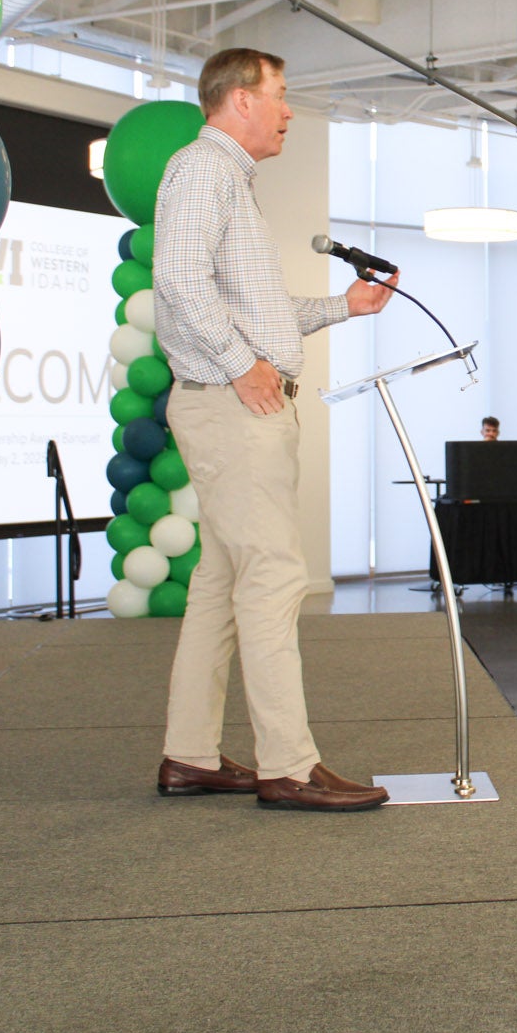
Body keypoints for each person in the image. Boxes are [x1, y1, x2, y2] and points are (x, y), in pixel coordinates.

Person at [153, 47, 397, 812]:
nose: (289, 111)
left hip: (234, 402)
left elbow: (257, 312)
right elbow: (178, 278)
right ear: (240, 100)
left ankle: (190, 753)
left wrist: (341, 307)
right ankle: (288, 765)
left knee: (221, 582)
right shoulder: (204, 167)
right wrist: (240, 365)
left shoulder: (228, 179)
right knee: (273, 575)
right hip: (235, 407)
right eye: (280, 95)